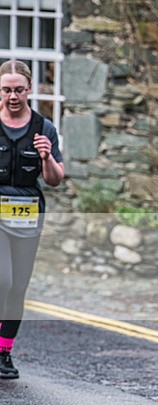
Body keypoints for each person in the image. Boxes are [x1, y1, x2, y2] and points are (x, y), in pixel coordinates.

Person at [0, 59, 64, 379]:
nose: (13, 96)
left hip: (27, 216)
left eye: (19, 90)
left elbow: (55, 179)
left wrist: (46, 156)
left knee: (18, 288)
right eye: (7, 90)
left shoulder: (44, 128)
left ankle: (4, 352)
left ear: (29, 90)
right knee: (3, 279)